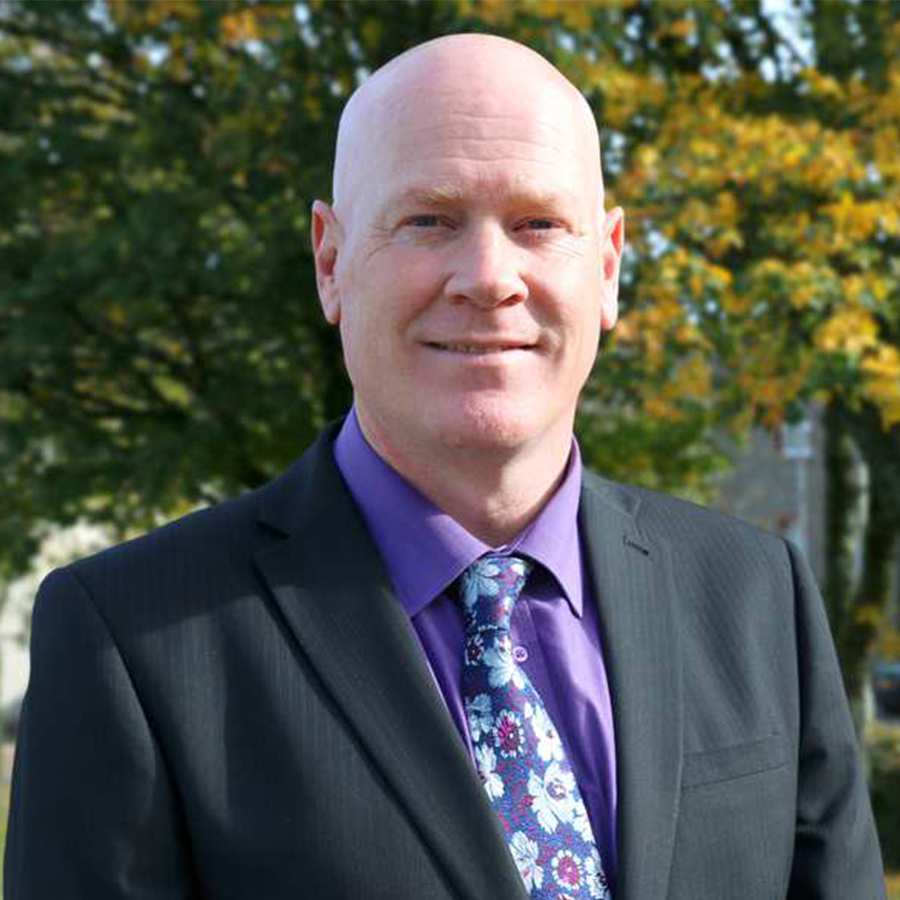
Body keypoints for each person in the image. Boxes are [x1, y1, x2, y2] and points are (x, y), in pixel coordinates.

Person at [4, 32, 884, 900]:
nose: (489, 278)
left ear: (609, 266)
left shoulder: (756, 595)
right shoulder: (133, 638)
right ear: (330, 261)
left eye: (539, 224)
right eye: (429, 220)